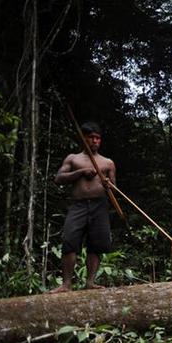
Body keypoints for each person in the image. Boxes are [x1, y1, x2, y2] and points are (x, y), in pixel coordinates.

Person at [49, 122, 115, 293]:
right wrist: (80, 172)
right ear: (84, 138)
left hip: (99, 205)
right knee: (70, 240)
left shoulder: (107, 162)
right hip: (78, 204)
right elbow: (59, 178)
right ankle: (66, 284)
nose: (95, 141)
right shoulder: (73, 158)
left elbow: (114, 189)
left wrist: (108, 184)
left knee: (96, 244)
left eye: (98, 138)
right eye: (91, 137)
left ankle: (90, 282)